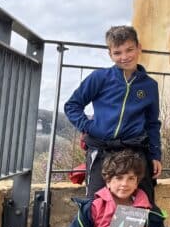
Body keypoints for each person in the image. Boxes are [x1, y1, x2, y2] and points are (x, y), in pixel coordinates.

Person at [64, 25, 163, 204]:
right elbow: (72, 105)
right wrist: (89, 126)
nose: (124, 57)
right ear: (110, 54)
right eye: (117, 53)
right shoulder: (99, 78)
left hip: (135, 150)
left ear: (139, 47)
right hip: (102, 150)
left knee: (143, 202)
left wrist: (155, 155)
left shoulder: (150, 86)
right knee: (95, 203)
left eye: (129, 50)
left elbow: (152, 123)